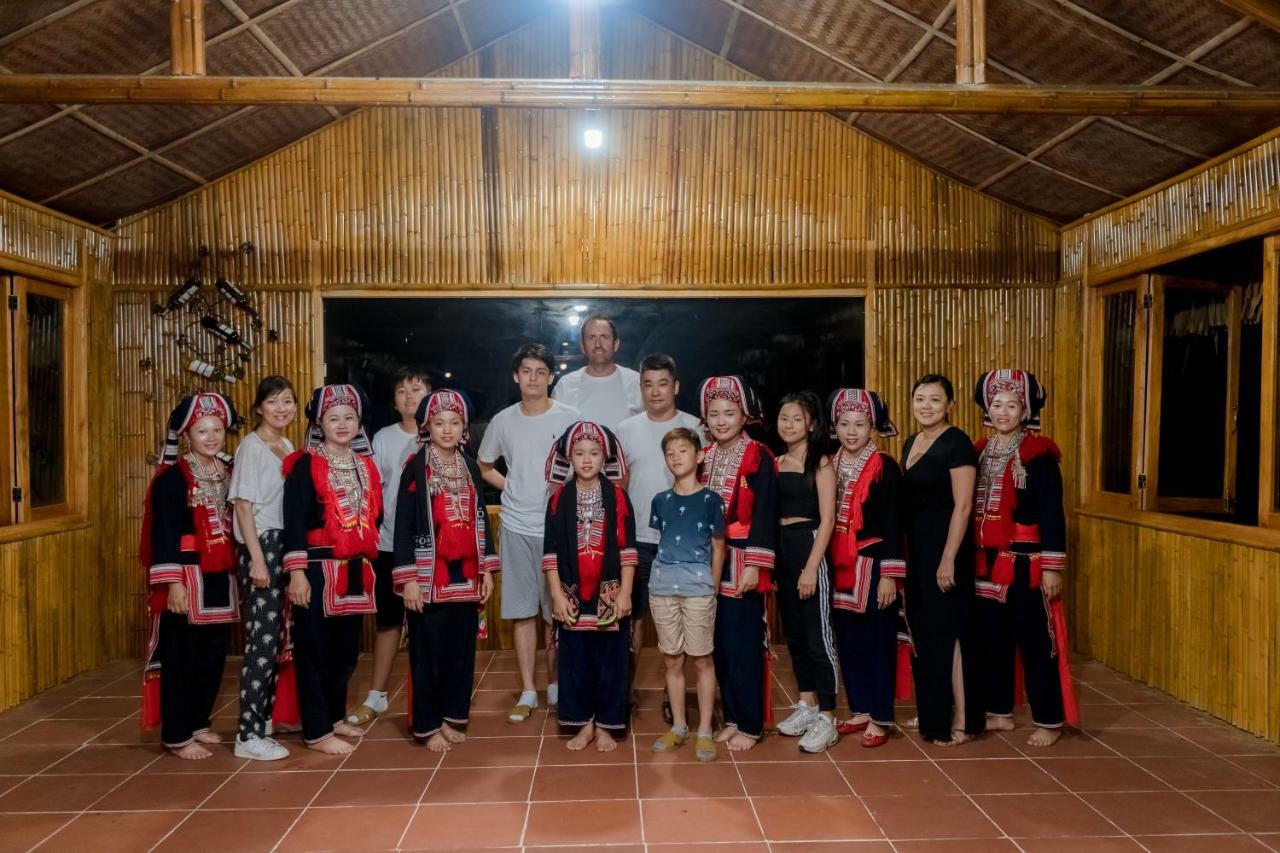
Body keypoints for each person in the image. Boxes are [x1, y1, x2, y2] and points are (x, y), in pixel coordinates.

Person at [972, 370, 1077, 747]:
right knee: (993, 640)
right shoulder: (980, 450)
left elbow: (1052, 511)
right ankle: (999, 711)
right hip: (987, 562)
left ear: (1025, 410)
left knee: (1035, 642)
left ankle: (1049, 720)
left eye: (1011, 405)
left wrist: (1051, 566)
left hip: (1027, 561)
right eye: (996, 404)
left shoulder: (1038, 454)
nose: (1002, 411)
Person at [478, 343, 580, 722]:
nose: (533, 378)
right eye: (526, 371)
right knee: (523, 613)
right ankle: (527, 690)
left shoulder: (571, 417)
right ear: (515, 376)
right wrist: (514, 487)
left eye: (541, 371)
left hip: (560, 527)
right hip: (517, 525)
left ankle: (556, 685)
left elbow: (588, 463)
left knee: (558, 611)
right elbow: (485, 465)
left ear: (551, 377)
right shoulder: (503, 420)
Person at [393, 389, 498, 752]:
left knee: (460, 652)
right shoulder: (415, 466)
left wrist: (487, 570)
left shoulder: (469, 465)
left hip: (466, 574)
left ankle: (452, 716)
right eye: (440, 423)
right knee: (427, 654)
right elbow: (403, 524)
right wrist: (408, 579)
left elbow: (481, 515)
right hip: (428, 577)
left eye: (455, 423)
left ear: (464, 427)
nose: (448, 430)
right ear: (427, 426)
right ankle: (427, 724)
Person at [283, 383, 382, 755]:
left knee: (345, 651)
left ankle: (336, 715)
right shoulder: (304, 463)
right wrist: (296, 573)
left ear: (359, 422)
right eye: (333, 418)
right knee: (314, 651)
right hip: (316, 568)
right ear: (319, 423)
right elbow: (293, 521)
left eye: (349, 417)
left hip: (356, 567)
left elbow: (376, 514)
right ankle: (317, 730)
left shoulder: (365, 465)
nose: (342, 424)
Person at [140, 392, 240, 760]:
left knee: (213, 654)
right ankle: (177, 734)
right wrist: (173, 584)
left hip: (219, 575)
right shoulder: (173, 479)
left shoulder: (228, 472)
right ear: (187, 435)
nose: (211, 437)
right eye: (202, 431)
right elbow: (163, 534)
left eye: (217, 429)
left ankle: (199, 720)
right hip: (185, 576)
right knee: (182, 656)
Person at [615, 353, 703, 715]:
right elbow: (619, 486)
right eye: (647, 383)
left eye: (662, 382)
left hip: (683, 543)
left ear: (676, 386)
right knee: (631, 617)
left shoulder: (696, 426)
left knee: (680, 619)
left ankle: (674, 697)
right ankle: (625, 692)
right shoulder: (625, 429)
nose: (655, 391)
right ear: (640, 388)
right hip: (637, 540)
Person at [542, 421, 637, 752]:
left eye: (593, 453)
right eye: (579, 453)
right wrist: (555, 595)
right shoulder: (559, 500)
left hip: (609, 591)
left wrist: (625, 593)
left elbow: (628, 551)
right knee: (575, 662)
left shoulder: (618, 497)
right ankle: (583, 723)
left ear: (604, 457)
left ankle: (606, 725)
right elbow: (550, 552)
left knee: (611, 662)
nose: (586, 459)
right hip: (570, 593)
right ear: (569, 457)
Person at [901, 374, 984, 746]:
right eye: (920, 399)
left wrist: (949, 557)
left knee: (950, 633)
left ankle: (964, 719)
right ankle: (935, 709)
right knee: (926, 632)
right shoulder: (910, 441)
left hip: (946, 543)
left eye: (935, 399)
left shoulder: (958, 443)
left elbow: (964, 506)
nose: (926, 406)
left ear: (949, 404)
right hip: (917, 546)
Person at [347, 367, 432, 728]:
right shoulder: (381, 438)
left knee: (428, 626)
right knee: (388, 622)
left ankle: (429, 698)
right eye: (402, 391)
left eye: (417, 389)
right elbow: (370, 492)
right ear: (394, 401)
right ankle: (377, 696)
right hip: (388, 544)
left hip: (430, 548)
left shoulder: (442, 433)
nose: (410, 397)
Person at [699, 375, 778, 752]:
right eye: (714, 413)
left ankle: (750, 723)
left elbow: (765, 514)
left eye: (729, 413)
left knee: (745, 643)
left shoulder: (758, 455)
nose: (721, 420)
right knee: (720, 644)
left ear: (745, 415)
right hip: (710, 559)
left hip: (746, 557)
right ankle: (731, 716)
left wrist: (756, 566)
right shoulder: (705, 456)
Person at [826, 388, 906, 749]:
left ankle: (880, 715)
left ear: (873, 425)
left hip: (873, 562)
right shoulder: (830, 463)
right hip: (837, 560)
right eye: (845, 423)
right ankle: (859, 708)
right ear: (835, 426)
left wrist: (890, 573)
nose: (852, 431)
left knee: (878, 641)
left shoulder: (885, 466)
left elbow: (893, 522)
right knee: (848, 639)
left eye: (860, 424)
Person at [229, 376, 297, 761]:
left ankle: (264, 721)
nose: (281, 409)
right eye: (273, 402)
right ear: (259, 407)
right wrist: (256, 558)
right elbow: (242, 506)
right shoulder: (251, 448)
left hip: (280, 543)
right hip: (262, 545)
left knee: (276, 639)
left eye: (287, 401)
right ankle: (247, 734)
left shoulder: (284, 444)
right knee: (262, 640)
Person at [647, 427, 725, 762]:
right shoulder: (660, 501)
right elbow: (660, 543)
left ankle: (705, 729)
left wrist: (713, 588)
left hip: (698, 590)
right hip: (662, 588)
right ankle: (679, 726)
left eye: (683, 450)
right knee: (671, 659)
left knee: (702, 659)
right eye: (670, 453)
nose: (676, 457)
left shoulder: (712, 500)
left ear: (699, 455)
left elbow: (719, 549)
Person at [772, 391, 840, 753]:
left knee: (818, 637)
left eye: (797, 418)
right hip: (783, 545)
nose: (789, 424)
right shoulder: (777, 461)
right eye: (784, 418)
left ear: (811, 423)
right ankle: (807, 704)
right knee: (795, 635)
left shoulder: (821, 461)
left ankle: (828, 717)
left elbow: (828, 519)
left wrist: (812, 567)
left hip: (809, 543)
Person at [552, 314, 642, 430]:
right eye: (591, 337)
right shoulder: (565, 385)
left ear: (616, 344)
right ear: (582, 346)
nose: (598, 344)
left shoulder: (636, 383)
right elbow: (553, 433)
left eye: (604, 337)